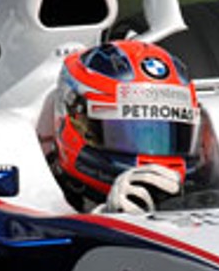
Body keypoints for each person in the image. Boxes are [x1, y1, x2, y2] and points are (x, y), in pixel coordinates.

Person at [46, 38, 205, 213]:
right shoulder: (35, 191)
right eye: (125, 133)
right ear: (74, 118)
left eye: (168, 136)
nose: (154, 164)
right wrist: (107, 217)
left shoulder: (204, 196)